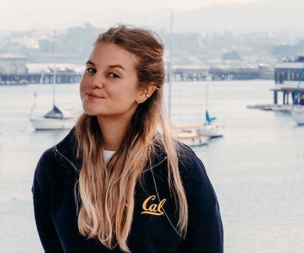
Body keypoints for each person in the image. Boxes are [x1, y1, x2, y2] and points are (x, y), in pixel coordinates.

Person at [32, 25, 223, 253]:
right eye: (91, 70)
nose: (94, 82)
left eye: (112, 74)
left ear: (145, 91)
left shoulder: (180, 168)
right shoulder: (55, 166)